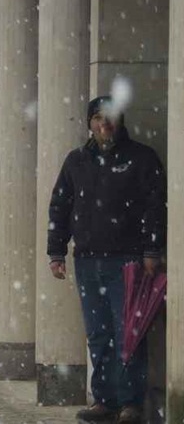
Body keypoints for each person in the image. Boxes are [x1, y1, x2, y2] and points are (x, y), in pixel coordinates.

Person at [47, 96, 166, 424]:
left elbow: (155, 208)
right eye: (97, 118)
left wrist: (151, 251)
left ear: (120, 120)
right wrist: (56, 252)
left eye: (110, 117)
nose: (104, 124)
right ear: (89, 123)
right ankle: (105, 400)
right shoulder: (76, 161)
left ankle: (130, 403)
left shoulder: (142, 159)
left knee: (128, 333)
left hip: (129, 262)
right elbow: (60, 206)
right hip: (87, 261)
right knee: (99, 334)